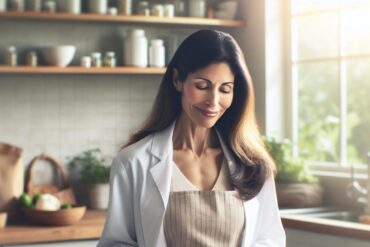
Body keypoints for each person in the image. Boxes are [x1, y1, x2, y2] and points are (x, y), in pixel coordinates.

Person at [98, 30, 286, 247]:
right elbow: (116, 243)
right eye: (202, 86)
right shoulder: (132, 162)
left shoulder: (252, 163)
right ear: (177, 80)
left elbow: (269, 239)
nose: (213, 102)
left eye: (225, 89)